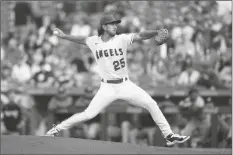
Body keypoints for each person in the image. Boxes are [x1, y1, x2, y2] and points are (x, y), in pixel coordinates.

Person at [45, 14, 190, 146]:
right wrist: (64, 37)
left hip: (125, 85)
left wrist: (155, 32)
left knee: (151, 103)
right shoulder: (94, 41)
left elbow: (141, 35)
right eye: (112, 24)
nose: (115, 26)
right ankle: (56, 129)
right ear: (104, 27)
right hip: (107, 88)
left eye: (116, 23)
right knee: (88, 114)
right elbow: (81, 39)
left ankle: (169, 135)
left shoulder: (122, 39)